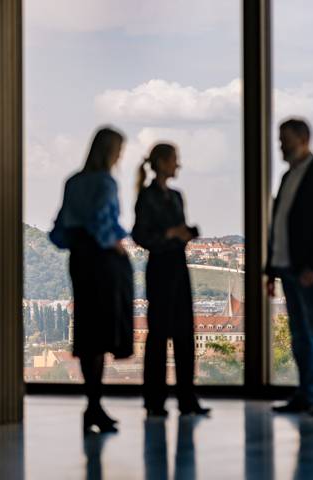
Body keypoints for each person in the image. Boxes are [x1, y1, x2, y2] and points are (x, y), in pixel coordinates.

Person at [49, 126, 133, 434]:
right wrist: (116, 244)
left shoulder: (73, 181)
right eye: (119, 151)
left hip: (80, 260)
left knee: (87, 333)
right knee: (103, 330)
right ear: (111, 152)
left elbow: (60, 228)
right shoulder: (105, 182)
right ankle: (95, 407)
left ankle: (93, 404)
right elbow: (103, 222)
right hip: (104, 262)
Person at [266, 118, 313, 416]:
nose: (280, 145)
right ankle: (308, 393)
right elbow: (279, 226)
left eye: (284, 139)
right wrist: (271, 269)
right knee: (300, 332)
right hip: (287, 265)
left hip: (308, 267)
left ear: (303, 138)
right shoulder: (289, 176)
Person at [132, 143, 210, 418]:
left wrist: (180, 234)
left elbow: (145, 234)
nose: (178, 165)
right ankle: (163, 400)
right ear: (163, 163)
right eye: (175, 160)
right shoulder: (152, 197)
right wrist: (172, 234)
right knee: (161, 335)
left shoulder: (171, 196)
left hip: (174, 265)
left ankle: (176, 399)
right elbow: (140, 235)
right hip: (164, 266)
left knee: (181, 334)